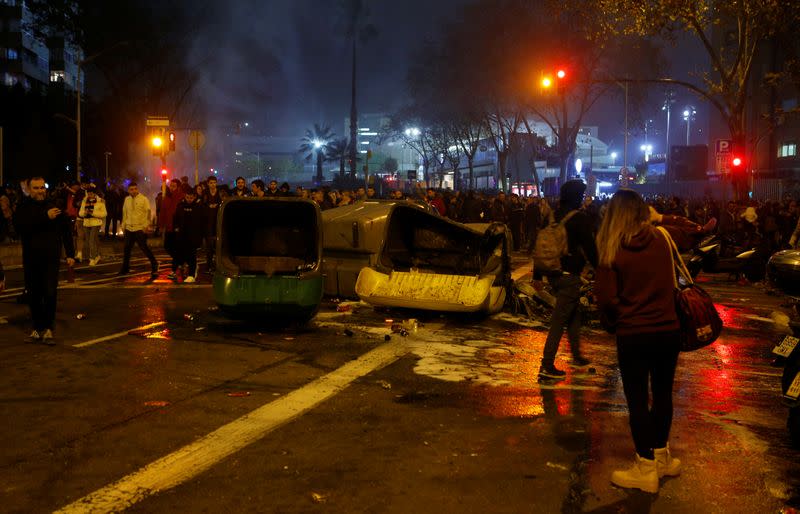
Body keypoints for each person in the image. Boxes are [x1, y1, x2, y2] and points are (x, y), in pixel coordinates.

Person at [594, 189, 682, 494]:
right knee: (662, 395)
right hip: (668, 331)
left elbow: (606, 300)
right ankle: (662, 456)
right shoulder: (662, 239)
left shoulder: (611, 247)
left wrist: (616, 319)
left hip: (634, 334)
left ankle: (645, 467)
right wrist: (665, 217)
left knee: (637, 400)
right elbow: (693, 234)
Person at [538, 180, 598, 380]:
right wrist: (600, 269)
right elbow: (591, 248)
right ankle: (546, 365)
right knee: (559, 321)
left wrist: (538, 274)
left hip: (553, 272)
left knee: (573, 315)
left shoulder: (554, 215)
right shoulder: (579, 218)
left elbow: (542, 243)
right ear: (577, 197)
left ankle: (577, 355)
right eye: (581, 195)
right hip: (569, 276)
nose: (583, 199)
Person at [13, 177, 75, 344]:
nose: (40, 191)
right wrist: (45, 217)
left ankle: (48, 328)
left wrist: (70, 254)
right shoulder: (24, 207)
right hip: (31, 258)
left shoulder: (54, 205)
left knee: (49, 292)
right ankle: (36, 328)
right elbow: (21, 227)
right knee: (33, 294)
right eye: (36, 188)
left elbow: (66, 231)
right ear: (29, 189)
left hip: (50, 259)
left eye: (42, 187)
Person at [119, 182, 159, 279]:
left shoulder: (144, 199)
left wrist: (145, 225)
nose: (134, 191)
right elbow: (124, 213)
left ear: (138, 189)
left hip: (139, 228)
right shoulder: (127, 199)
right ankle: (125, 268)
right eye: (131, 189)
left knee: (144, 248)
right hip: (129, 227)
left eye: (135, 189)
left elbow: (148, 213)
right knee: (127, 249)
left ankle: (154, 264)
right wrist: (123, 225)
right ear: (128, 190)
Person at [172, 188, 205, 282]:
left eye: (191, 197)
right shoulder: (180, 205)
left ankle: (191, 275)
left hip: (193, 236)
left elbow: (203, 222)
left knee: (192, 256)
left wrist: (201, 235)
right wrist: (176, 228)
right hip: (182, 235)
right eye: (187, 197)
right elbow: (175, 218)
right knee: (181, 254)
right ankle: (179, 271)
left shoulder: (199, 207)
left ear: (194, 197)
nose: (189, 199)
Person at [78, 184, 107, 266]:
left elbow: (104, 214)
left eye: (91, 193)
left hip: (96, 223)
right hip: (86, 223)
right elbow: (80, 213)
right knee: (88, 241)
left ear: (94, 193)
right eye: (88, 193)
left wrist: (93, 213)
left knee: (91, 240)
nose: (89, 195)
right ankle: (97, 255)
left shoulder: (100, 201)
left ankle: (92, 258)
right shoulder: (84, 201)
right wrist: (84, 213)